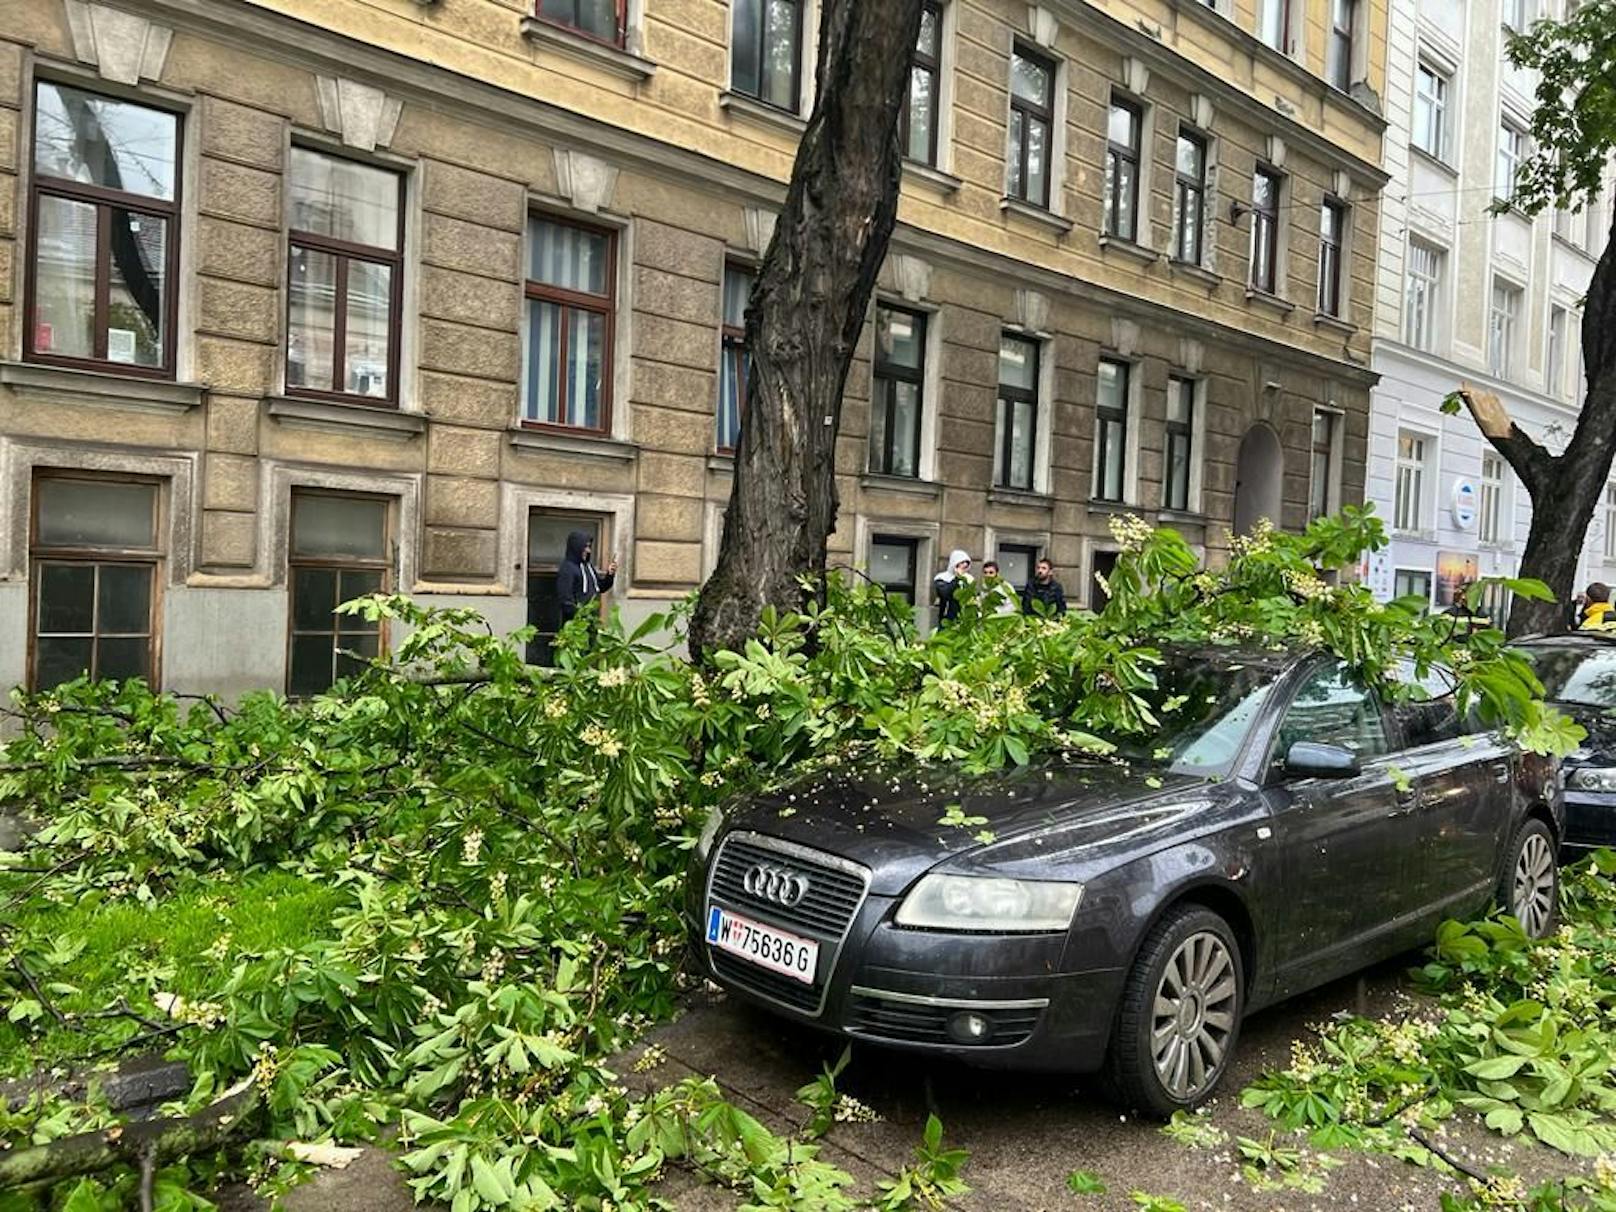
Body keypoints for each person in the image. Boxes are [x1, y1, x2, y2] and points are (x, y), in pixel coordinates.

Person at [557, 530, 617, 628]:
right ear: (576, 547)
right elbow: (566, 600)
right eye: (585, 547)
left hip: (590, 621)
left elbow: (600, 587)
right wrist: (579, 616)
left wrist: (610, 575)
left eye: (589, 547)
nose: (588, 550)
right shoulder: (567, 569)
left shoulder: (588, 567)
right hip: (574, 625)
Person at [933, 549, 972, 625]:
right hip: (947, 617)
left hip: (964, 618)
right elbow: (944, 593)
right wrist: (957, 579)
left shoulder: (969, 579)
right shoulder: (941, 578)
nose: (964, 565)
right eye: (961, 563)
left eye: (966, 563)